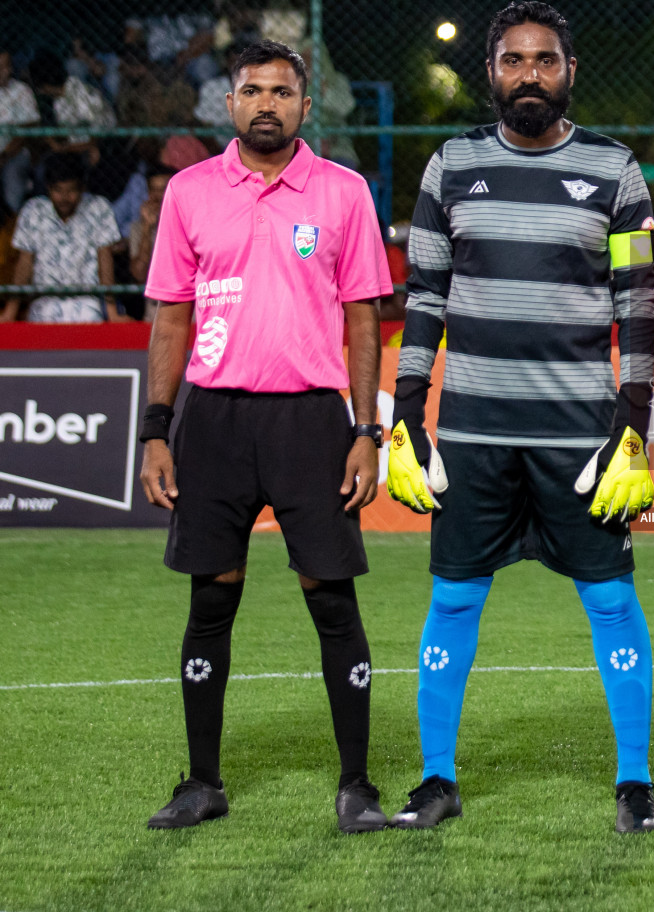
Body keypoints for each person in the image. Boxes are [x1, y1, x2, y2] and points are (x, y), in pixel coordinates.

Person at [385, 1, 654, 834]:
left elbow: (638, 303)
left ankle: (635, 782)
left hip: (579, 439)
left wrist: (633, 424)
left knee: (611, 601)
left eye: (545, 60)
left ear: (569, 72)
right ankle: (437, 779)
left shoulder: (617, 174)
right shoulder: (450, 167)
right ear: (493, 72)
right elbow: (425, 296)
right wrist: (406, 413)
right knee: (453, 600)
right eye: (514, 61)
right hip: (471, 433)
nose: (530, 74)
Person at [137, 40, 394, 831]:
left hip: (311, 420)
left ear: (305, 107)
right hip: (211, 419)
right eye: (253, 90)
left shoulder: (345, 192)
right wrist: (156, 430)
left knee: (332, 599)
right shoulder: (189, 193)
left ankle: (356, 785)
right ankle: (202, 783)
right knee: (211, 598)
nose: (267, 104)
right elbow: (171, 319)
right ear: (230, 103)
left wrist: (365, 430)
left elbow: (363, 319)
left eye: (283, 91)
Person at [0, 152, 122, 324]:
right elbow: (24, 265)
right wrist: (10, 312)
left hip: (86, 303)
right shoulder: (33, 211)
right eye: (58, 190)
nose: (65, 197)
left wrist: (112, 312)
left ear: (82, 188)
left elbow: (105, 261)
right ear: (48, 188)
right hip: (44, 302)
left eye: (71, 190)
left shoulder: (98, 208)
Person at [0, 49, 40, 212]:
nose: (6, 71)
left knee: (13, 176)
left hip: (14, 154)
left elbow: (28, 128)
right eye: (0, 67)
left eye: (7, 66)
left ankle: (10, 227)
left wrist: (4, 156)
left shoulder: (22, 91)